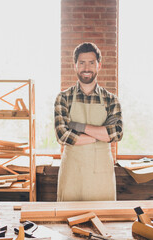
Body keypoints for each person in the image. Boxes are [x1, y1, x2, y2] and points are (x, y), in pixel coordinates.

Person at [54, 42, 123, 201]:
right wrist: (100, 135)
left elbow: (116, 133)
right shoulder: (63, 97)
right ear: (75, 66)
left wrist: (78, 126)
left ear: (99, 66)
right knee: (67, 221)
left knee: (104, 219)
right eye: (82, 63)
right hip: (72, 175)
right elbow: (62, 135)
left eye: (91, 63)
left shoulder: (111, 100)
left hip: (101, 177)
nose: (86, 68)